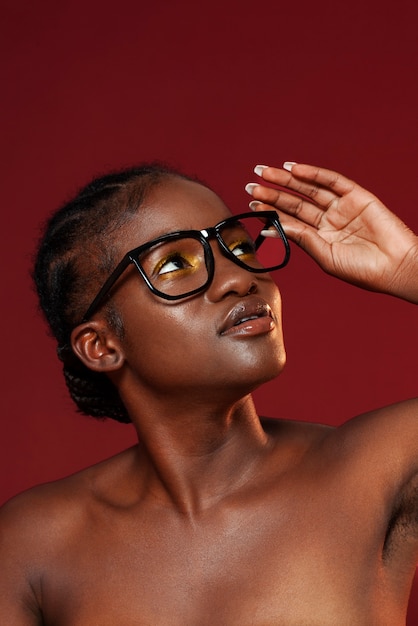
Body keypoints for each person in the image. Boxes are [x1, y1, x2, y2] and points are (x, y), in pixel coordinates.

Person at [0, 160, 417, 625]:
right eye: (176, 263)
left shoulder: (377, 470)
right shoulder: (33, 544)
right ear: (100, 346)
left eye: (239, 246)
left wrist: (409, 266)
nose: (241, 278)